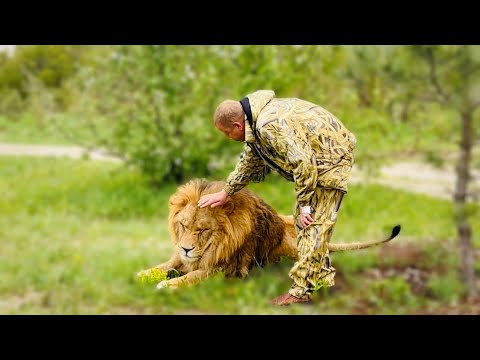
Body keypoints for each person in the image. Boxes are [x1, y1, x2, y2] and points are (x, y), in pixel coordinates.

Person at [198, 90, 356, 306]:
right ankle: (319, 279)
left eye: (227, 133)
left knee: (312, 223)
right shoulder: (255, 125)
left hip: (330, 159)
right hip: (319, 157)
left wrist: (305, 207)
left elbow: (304, 163)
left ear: (237, 126)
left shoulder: (267, 125)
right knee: (306, 224)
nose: (228, 138)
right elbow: (249, 162)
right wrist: (227, 191)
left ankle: (301, 292)